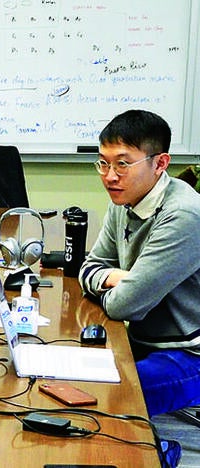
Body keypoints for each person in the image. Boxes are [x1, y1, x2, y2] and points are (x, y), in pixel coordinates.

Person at [79, 109, 200, 417]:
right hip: (145, 340)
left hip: (189, 354)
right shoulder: (124, 199)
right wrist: (120, 278)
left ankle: (162, 452)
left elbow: (124, 306)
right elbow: (88, 267)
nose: (109, 176)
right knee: (70, 379)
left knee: (109, 396)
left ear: (160, 163)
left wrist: (123, 287)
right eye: (103, 163)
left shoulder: (183, 215)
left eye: (122, 163)